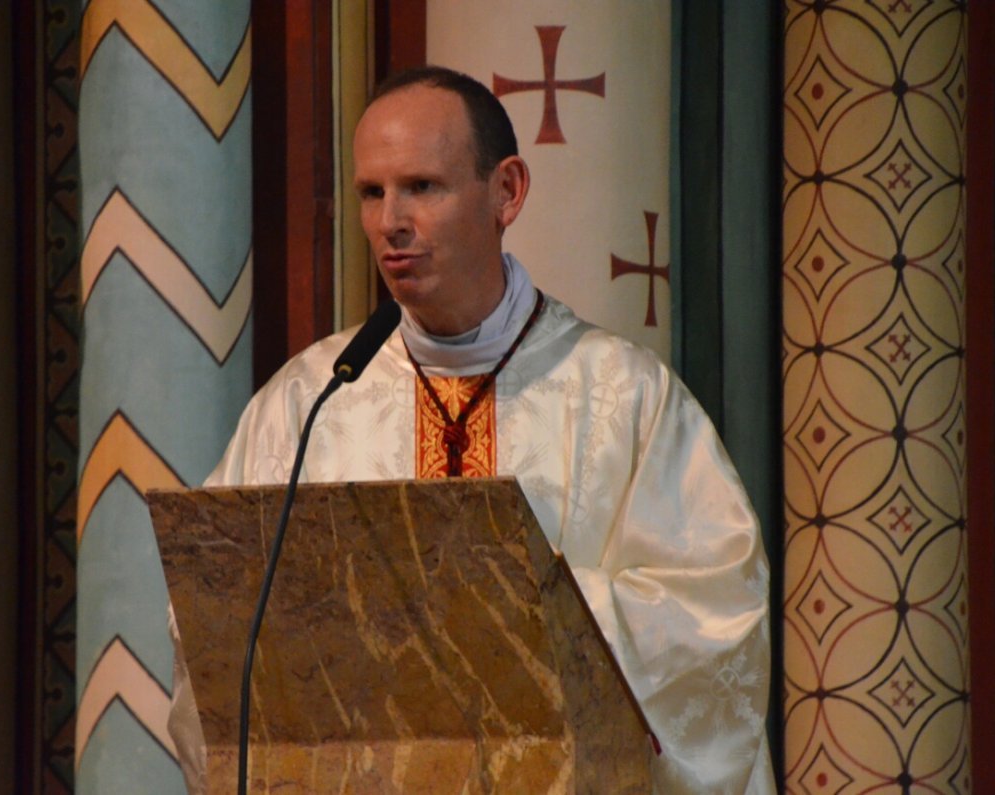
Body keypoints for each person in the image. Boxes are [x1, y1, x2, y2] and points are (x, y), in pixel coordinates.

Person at [177, 66, 775, 793]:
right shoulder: (309, 402)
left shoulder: (624, 398)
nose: (391, 220)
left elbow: (711, 617)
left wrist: (496, 619)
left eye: (423, 187)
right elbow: (218, 634)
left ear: (507, 191)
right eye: (372, 192)